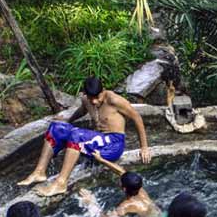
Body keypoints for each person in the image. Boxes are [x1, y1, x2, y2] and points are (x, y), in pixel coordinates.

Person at [18, 76, 152, 197]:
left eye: (97, 97)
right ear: (85, 95)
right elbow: (82, 111)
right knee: (56, 127)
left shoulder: (114, 100)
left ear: (103, 91)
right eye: (90, 98)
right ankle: (39, 171)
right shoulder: (86, 100)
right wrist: (67, 121)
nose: (94, 101)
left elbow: (137, 118)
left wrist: (144, 147)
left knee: (77, 135)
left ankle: (61, 182)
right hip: (97, 140)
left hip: (113, 144)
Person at [77, 171, 159, 217]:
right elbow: (121, 171)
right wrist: (101, 159)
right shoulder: (140, 189)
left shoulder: (125, 206)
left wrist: (91, 202)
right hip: (160, 216)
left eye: (120, 181)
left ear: (124, 188)